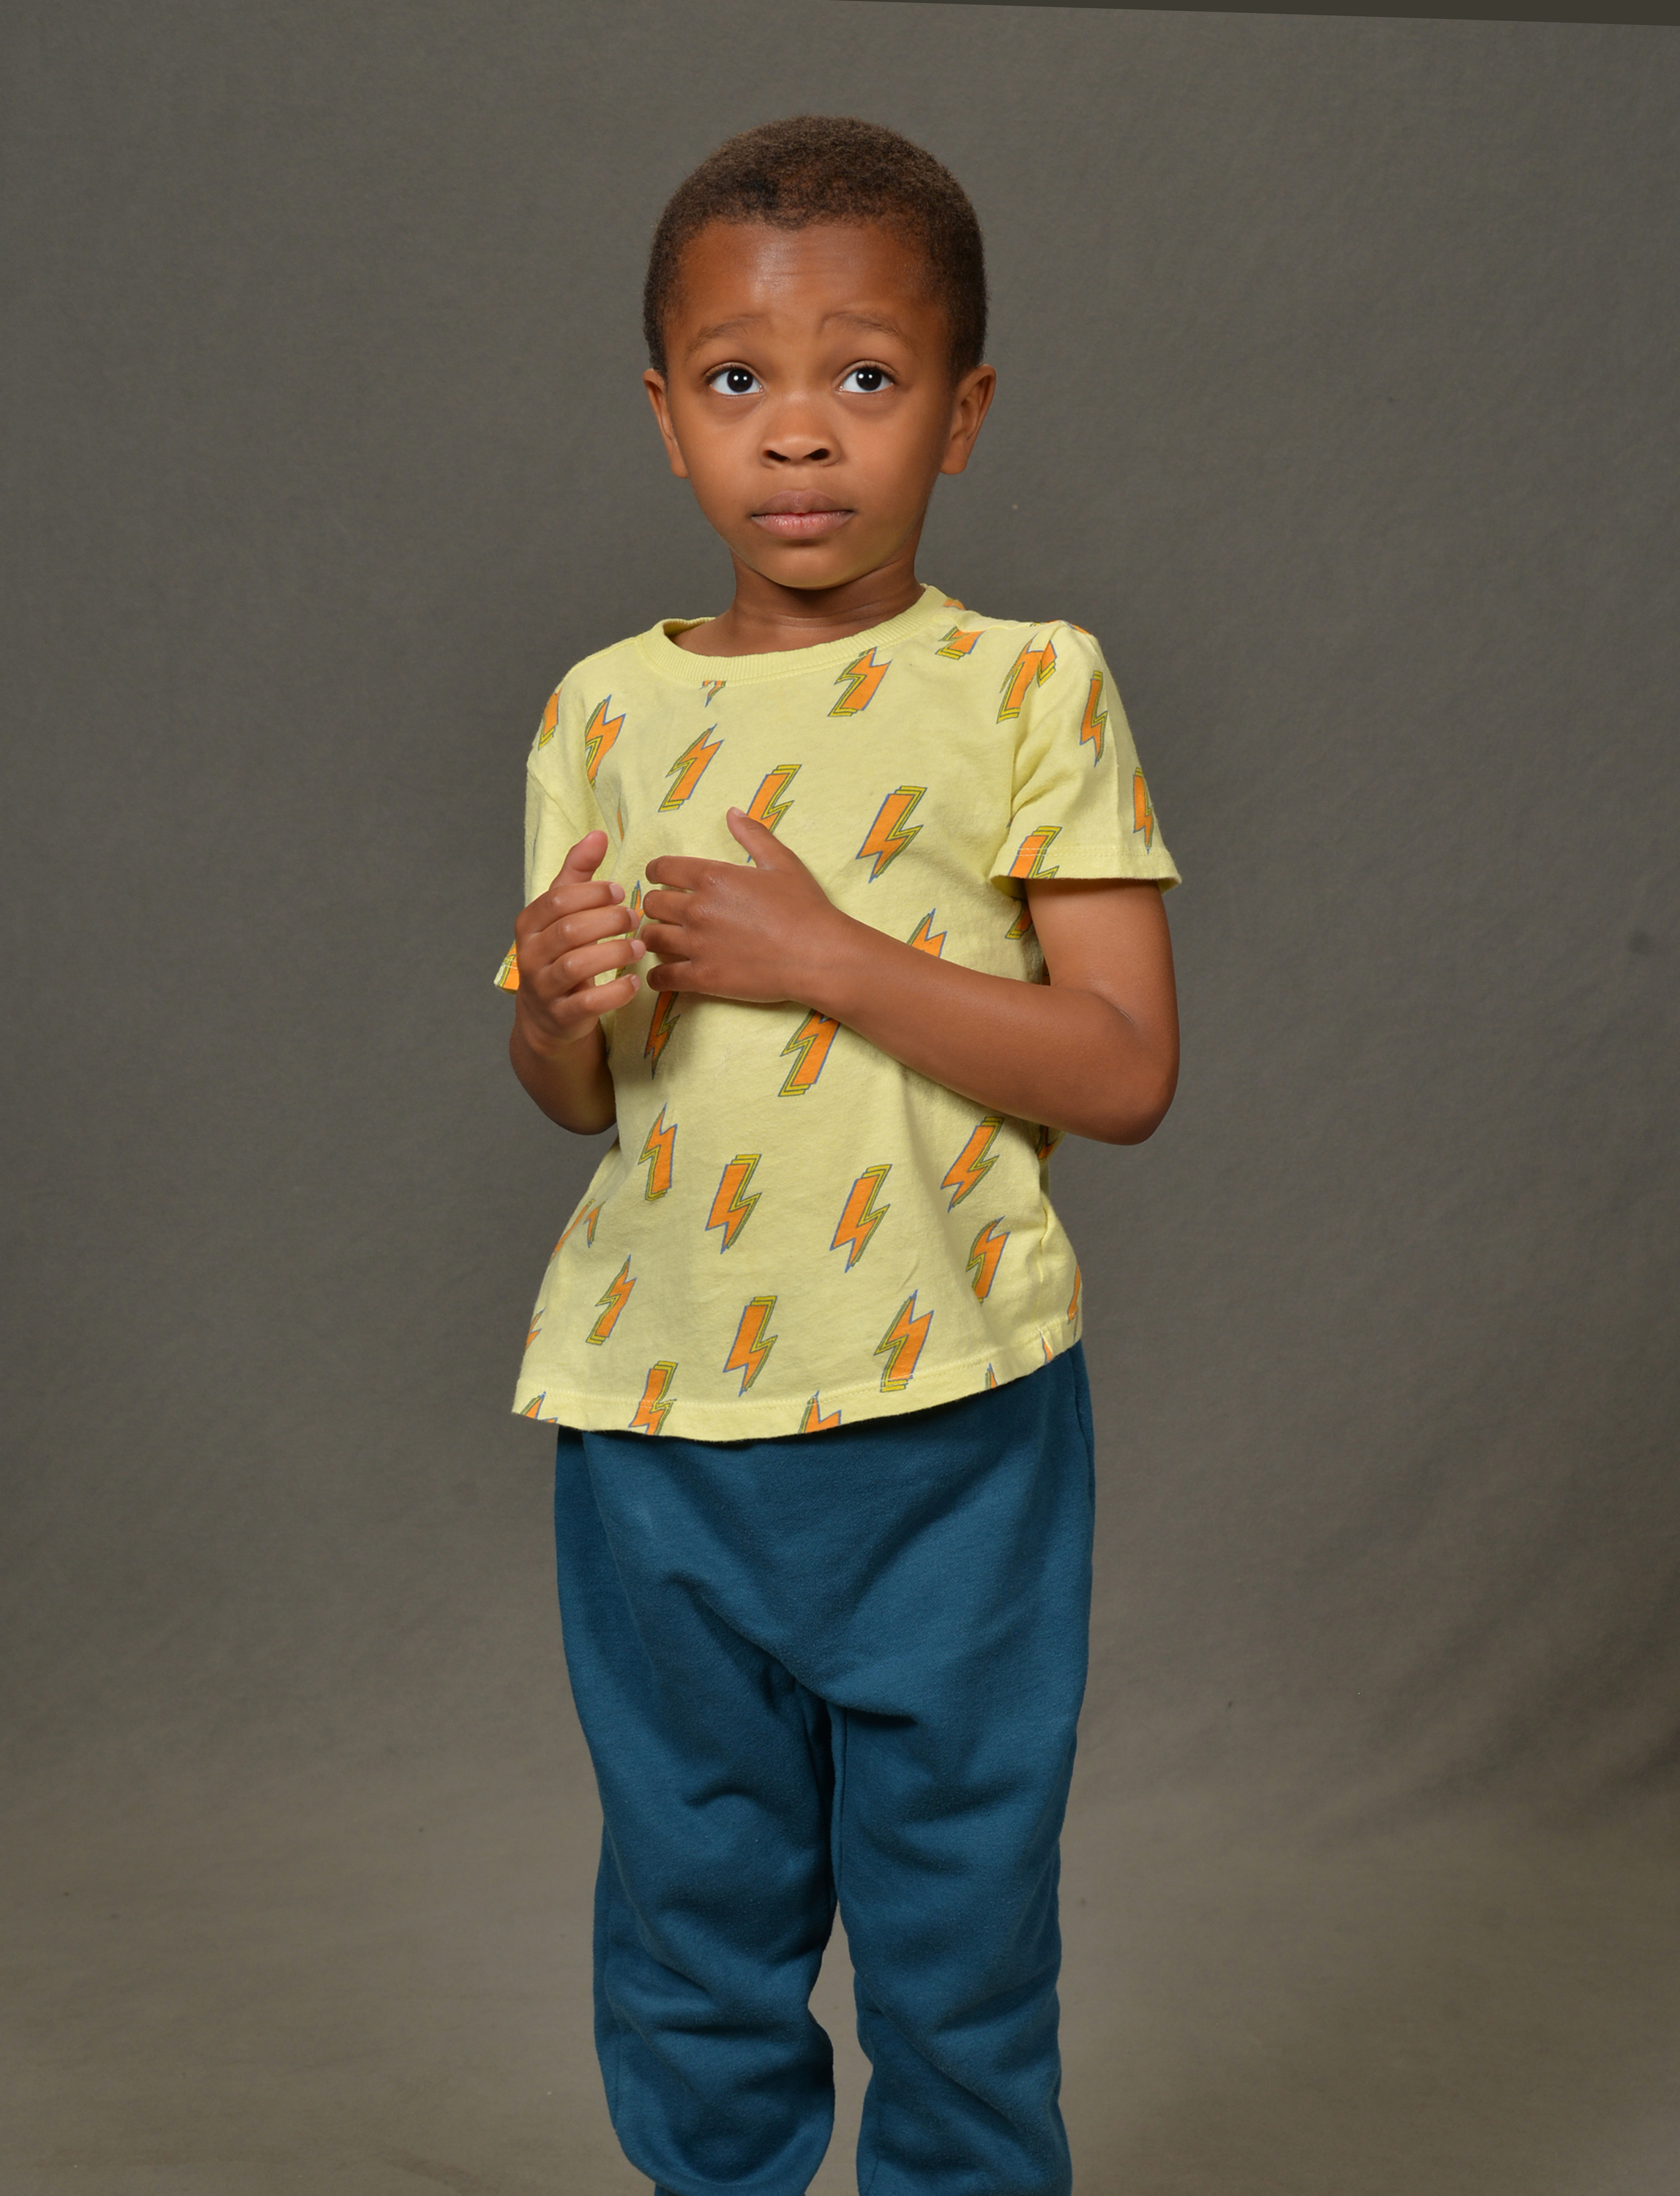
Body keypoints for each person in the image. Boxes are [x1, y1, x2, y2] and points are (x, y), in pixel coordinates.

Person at [497, 116, 1179, 2196]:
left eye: (865, 377)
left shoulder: (1028, 686)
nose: (799, 434)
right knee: (692, 1933)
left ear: (960, 414)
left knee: (958, 1941)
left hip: (949, 1424)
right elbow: (581, 1092)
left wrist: (833, 959)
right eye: (739, 380)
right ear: (664, 415)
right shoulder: (600, 712)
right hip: (657, 1426)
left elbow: (1123, 1068)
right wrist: (554, 1001)